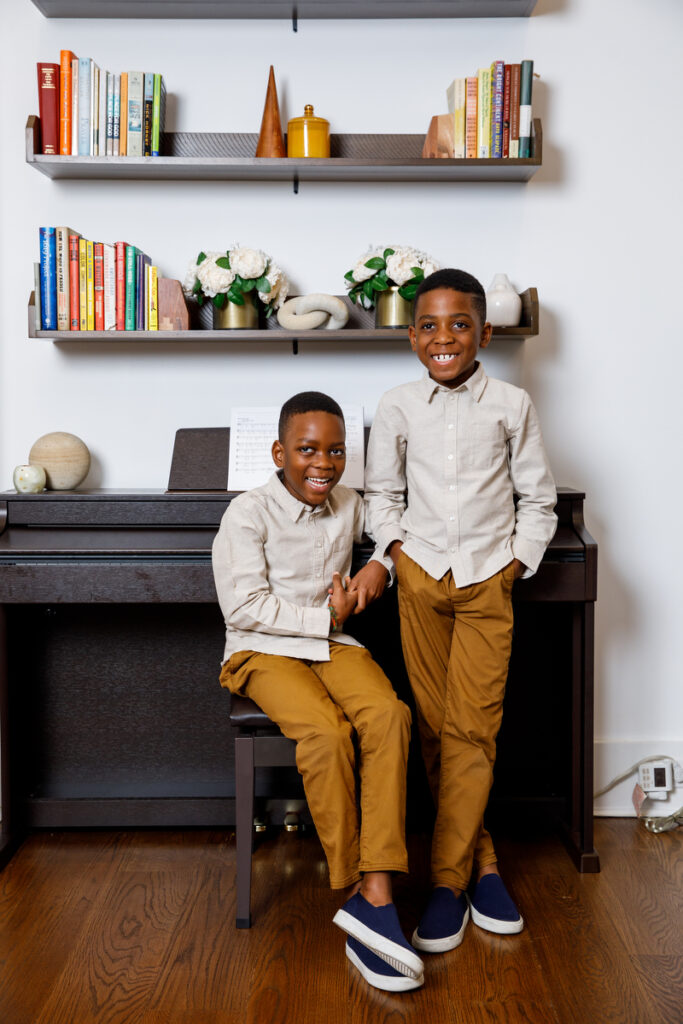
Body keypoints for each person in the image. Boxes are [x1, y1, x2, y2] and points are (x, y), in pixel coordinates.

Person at [361, 268, 558, 953]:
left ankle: (450, 882)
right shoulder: (395, 406)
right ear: (411, 333)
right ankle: (484, 864)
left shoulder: (511, 402)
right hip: (420, 578)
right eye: (429, 325)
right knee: (437, 731)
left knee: (473, 730)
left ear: (484, 332)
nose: (443, 337)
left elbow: (537, 500)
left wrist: (511, 564)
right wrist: (397, 555)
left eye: (458, 325)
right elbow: (379, 497)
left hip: (485, 580)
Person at [212, 391, 424, 992]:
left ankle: (375, 890)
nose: (322, 463)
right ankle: (355, 882)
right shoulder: (248, 513)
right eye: (307, 450)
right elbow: (244, 605)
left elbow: (393, 528)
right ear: (279, 452)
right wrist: (327, 619)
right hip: (261, 648)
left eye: (335, 451)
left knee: (389, 715)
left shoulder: (349, 502)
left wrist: (379, 564)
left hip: (332, 646)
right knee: (328, 733)